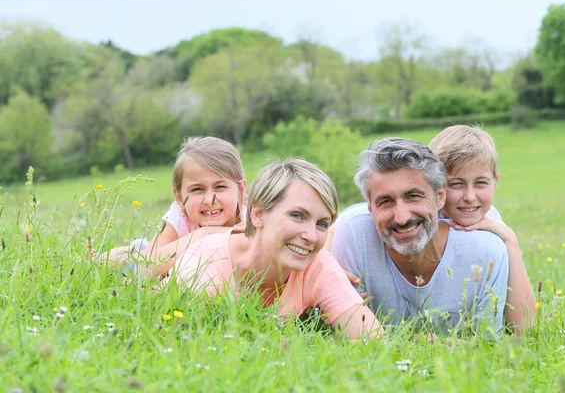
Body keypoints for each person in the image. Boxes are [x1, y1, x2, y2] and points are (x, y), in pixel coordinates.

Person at [168, 158, 382, 339]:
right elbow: (194, 348)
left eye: (322, 224)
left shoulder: (318, 265)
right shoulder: (206, 265)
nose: (311, 236)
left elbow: (373, 341)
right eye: (297, 216)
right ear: (258, 214)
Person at [330, 137, 509, 334]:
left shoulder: (487, 251)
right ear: (370, 208)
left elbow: (487, 346)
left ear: (440, 196)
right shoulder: (353, 235)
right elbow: (352, 337)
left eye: (413, 196)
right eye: (386, 201)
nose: (401, 218)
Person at [428, 124, 536, 333]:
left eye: (480, 183)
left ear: (495, 182)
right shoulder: (422, 225)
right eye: (456, 184)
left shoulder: (491, 220)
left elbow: (524, 327)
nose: (470, 196)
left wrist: (510, 241)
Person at [102, 136, 246, 278]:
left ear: (240, 190)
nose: (209, 200)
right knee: (119, 258)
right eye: (197, 189)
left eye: (220, 187)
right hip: (165, 250)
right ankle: (90, 260)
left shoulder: (253, 218)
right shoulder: (180, 217)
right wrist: (201, 235)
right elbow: (140, 270)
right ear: (179, 197)